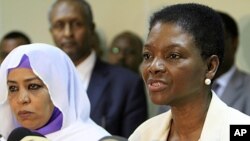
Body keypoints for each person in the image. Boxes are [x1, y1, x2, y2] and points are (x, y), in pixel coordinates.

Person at [129, 3, 250, 141]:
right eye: (147, 56)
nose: (153, 66)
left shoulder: (240, 130)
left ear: (210, 67)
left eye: (173, 55)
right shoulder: (144, 134)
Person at [48, 0, 148, 137]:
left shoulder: (127, 84)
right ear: (51, 31)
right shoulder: (40, 81)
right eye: (59, 26)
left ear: (91, 28)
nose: (67, 33)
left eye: (76, 24)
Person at [0, 43, 110, 141]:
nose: (21, 99)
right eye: (13, 88)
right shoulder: (8, 138)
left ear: (60, 90)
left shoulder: (94, 138)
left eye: (33, 86)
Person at [212, 11, 250, 115]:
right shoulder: (182, 88)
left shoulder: (247, 87)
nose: (210, 47)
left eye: (217, 40)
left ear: (234, 42)